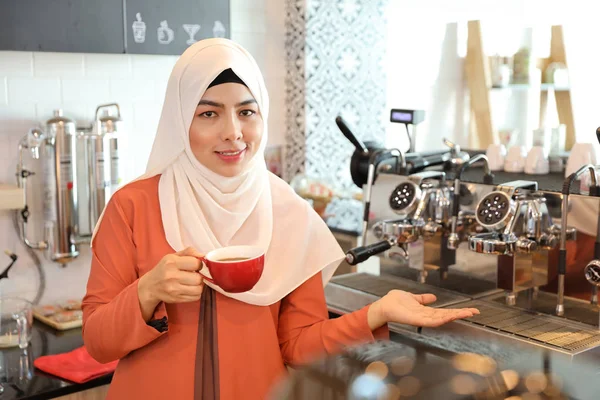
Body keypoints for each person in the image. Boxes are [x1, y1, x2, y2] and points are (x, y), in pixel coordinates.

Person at [82, 38, 479, 400]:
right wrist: (146, 292)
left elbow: (297, 344)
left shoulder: (289, 214)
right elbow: (98, 342)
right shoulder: (133, 206)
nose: (233, 133)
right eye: (208, 113)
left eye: (246, 112)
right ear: (180, 119)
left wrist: (378, 312)